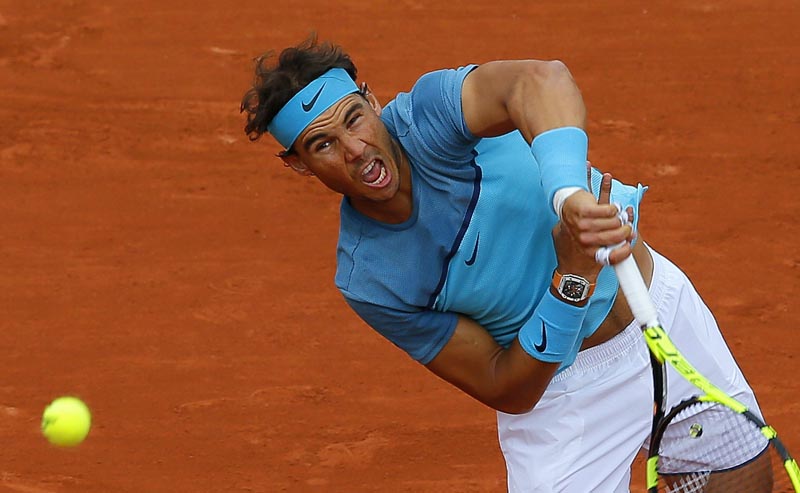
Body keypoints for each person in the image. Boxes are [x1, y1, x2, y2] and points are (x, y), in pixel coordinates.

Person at [241, 36, 767, 492]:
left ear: (372, 101)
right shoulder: (371, 278)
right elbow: (505, 385)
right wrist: (574, 278)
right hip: (566, 400)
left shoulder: (430, 116)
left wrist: (568, 196)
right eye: (322, 144)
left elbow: (540, 80)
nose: (354, 149)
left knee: (742, 481)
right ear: (298, 165)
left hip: (658, 306)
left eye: (355, 118)